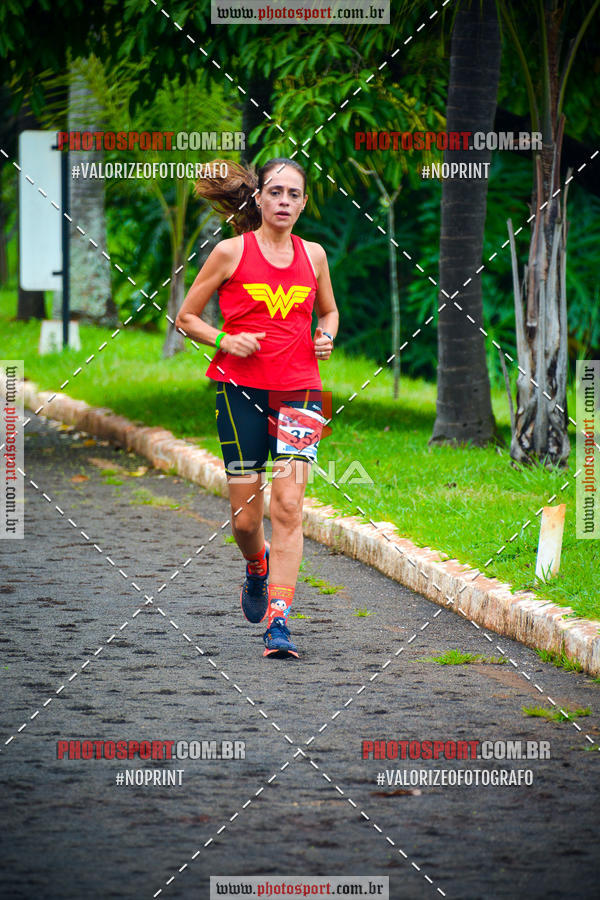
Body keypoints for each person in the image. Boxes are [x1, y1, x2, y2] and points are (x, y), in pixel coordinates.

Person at [175, 157, 339, 659]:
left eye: (294, 194)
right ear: (260, 199)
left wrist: (325, 335)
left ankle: (279, 621)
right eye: (276, 192)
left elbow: (329, 310)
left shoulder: (314, 255)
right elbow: (186, 317)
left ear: (304, 202)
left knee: (289, 507)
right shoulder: (229, 253)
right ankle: (255, 566)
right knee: (246, 521)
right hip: (241, 391)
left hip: (302, 394)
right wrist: (225, 339)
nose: (285, 201)